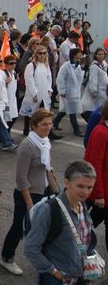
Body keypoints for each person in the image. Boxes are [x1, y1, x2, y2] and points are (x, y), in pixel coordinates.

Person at [0, 109, 55, 276]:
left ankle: (46, 257)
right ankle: (6, 258)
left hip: (43, 190)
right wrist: (29, 202)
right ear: (34, 125)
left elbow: (46, 168)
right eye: (44, 124)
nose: (48, 127)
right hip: (28, 194)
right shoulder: (27, 146)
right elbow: (21, 178)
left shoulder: (44, 141)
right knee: (19, 227)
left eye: (50, 124)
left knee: (44, 226)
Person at [25, 160, 98, 285]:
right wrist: (53, 272)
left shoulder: (82, 204)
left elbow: (85, 240)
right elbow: (31, 248)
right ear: (67, 183)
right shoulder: (49, 209)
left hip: (80, 275)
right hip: (57, 279)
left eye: (89, 187)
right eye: (80, 186)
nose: (86, 192)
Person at [84, 103, 108, 250]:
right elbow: (95, 165)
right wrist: (99, 194)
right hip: (103, 192)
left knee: (89, 223)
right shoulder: (101, 132)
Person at [54, 48, 84, 137]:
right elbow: (60, 79)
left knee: (65, 109)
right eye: (79, 53)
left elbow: (78, 78)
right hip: (68, 91)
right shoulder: (66, 66)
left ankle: (55, 122)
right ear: (74, 55)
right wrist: (61, 90)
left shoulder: (77, 65)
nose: (81, 54)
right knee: (72, 111)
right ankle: (76, 129)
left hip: (75, 91)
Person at [81, 48, 108, 121]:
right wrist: (93, 91)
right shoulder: (94, 66)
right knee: (98, 108)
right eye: (99, 54)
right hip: (99, 91)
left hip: (104, 90)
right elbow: (93, 79)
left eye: (102, 54)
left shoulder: (104, 63)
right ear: (95, 55)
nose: (101, 56)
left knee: (102, 107)